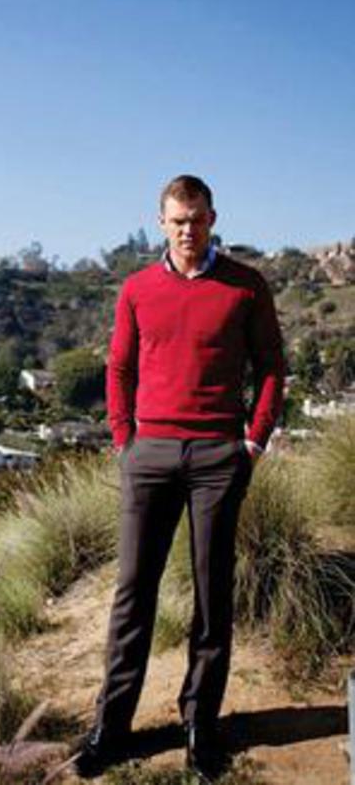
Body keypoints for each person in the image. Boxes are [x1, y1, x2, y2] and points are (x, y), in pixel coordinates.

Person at [75, 175, 284, 781]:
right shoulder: (138, 289)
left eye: (196, 219)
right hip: (151, 455)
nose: (187, 230)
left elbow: (272, 367)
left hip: (219, 456)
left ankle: (200, 727)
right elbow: (119, 368)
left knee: (213, 593)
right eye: (177, 220)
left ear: (212, 219)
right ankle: (111, 728)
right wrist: (124, 440)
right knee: (132, 592)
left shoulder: (246, 286)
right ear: (161, 223)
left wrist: (253, 440)